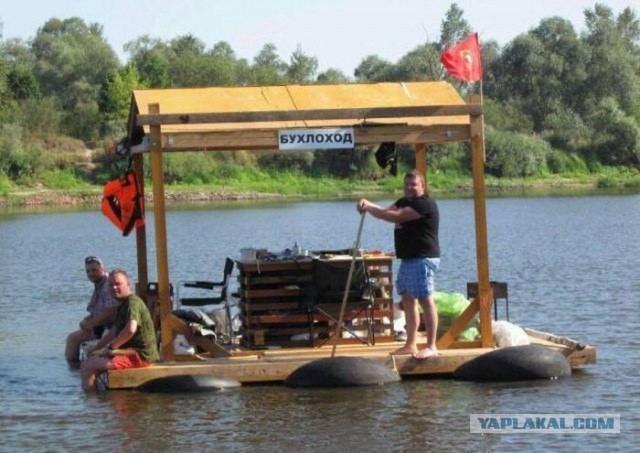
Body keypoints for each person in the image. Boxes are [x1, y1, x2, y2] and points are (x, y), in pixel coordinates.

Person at [357, 170, 440, 359]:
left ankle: (432, 346)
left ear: (422, 186)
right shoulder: (404, 201)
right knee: (408, 301)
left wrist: (369, 206)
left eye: (414, 184)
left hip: (423, 258)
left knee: (426, 301)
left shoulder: (424, 204)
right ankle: (411, 345)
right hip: (409, 259)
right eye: (407, 184)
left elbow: (394, 217)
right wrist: (368, 205)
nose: (410, 187)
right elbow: (387, 212)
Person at [81, 268, 159, 391]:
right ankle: (100, 400)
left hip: (141, 356)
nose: (114, 287)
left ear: (128, 284)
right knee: (91, 358)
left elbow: (130, 330)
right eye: (111, 285)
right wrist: (96, 349)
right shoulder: (123, 305)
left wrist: (110, 348)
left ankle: (93, 405)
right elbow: (113, 332)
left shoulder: (133, 303)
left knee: (89, 366)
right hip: (129, 351)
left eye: (118, 284)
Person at [65, 256, 118, 366]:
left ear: (103, 269)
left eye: (94, 270)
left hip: (111, 328)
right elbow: (99, 309)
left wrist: (92, 323)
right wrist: (89, 320)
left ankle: (74, 370)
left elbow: (111, 311)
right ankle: (75, 368)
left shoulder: (108, 285)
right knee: (73, 337)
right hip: (103, 325)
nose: (90, 274)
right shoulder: (100, 284)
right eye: (88, 271)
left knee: (73, 339)